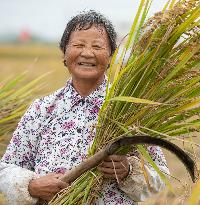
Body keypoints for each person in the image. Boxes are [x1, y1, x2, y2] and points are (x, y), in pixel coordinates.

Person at [0, 10, 169, 205]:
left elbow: (161, 180)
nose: (87, 53)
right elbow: (6, 169)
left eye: (97, 46)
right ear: (64, 53)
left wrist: (129, 172)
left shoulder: (128, 111)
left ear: (110, 57)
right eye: (78, 45)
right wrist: (31, 186)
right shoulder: (42, 109)